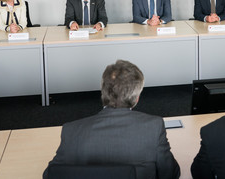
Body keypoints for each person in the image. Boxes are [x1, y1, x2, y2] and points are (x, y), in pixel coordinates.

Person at [43, 60, 180, 179]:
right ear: (136, 98)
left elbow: (51, 175)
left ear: (103, 91)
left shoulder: (72, 131)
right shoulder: (153, 127)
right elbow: (169, 173)